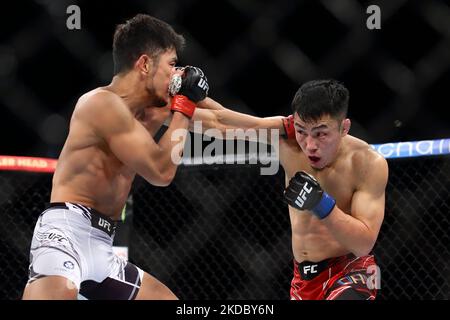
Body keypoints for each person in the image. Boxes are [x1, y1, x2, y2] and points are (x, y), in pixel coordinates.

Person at [22, 14, 209, 300]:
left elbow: (216, 117)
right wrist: (184, 105)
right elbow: (162, 172)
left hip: (101, 244)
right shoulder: (100, 103)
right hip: (67, 232)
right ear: (145, 63)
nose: (176, 74)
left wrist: (280, 126)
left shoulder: (148, 111)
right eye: (172, 64)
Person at [193, 79, 388, 299]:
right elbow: (220, 121)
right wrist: (178, 100)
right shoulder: (286, 138)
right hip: (303, 280)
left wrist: (320, 204)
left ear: (344, 128)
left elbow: (363, 244)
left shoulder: (368, 163)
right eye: (302, 131)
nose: (310, 145)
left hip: (353, 270)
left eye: (321, 133)